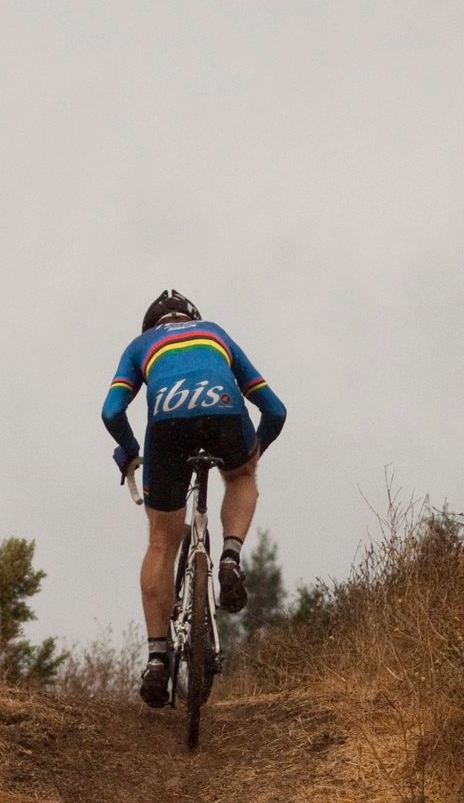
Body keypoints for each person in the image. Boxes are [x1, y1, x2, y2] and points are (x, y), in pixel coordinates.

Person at [101, 289, 287, 708]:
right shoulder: (215, 333)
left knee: (161, 543)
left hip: (165, 430)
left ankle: (156, 660)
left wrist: (130, 451)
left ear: (152, 325)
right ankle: (229, 558)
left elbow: (111, 411)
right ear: (192, 318)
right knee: (241, 477)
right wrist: (250, 456)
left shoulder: (140, 346)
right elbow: (275, 410)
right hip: (224, 414)